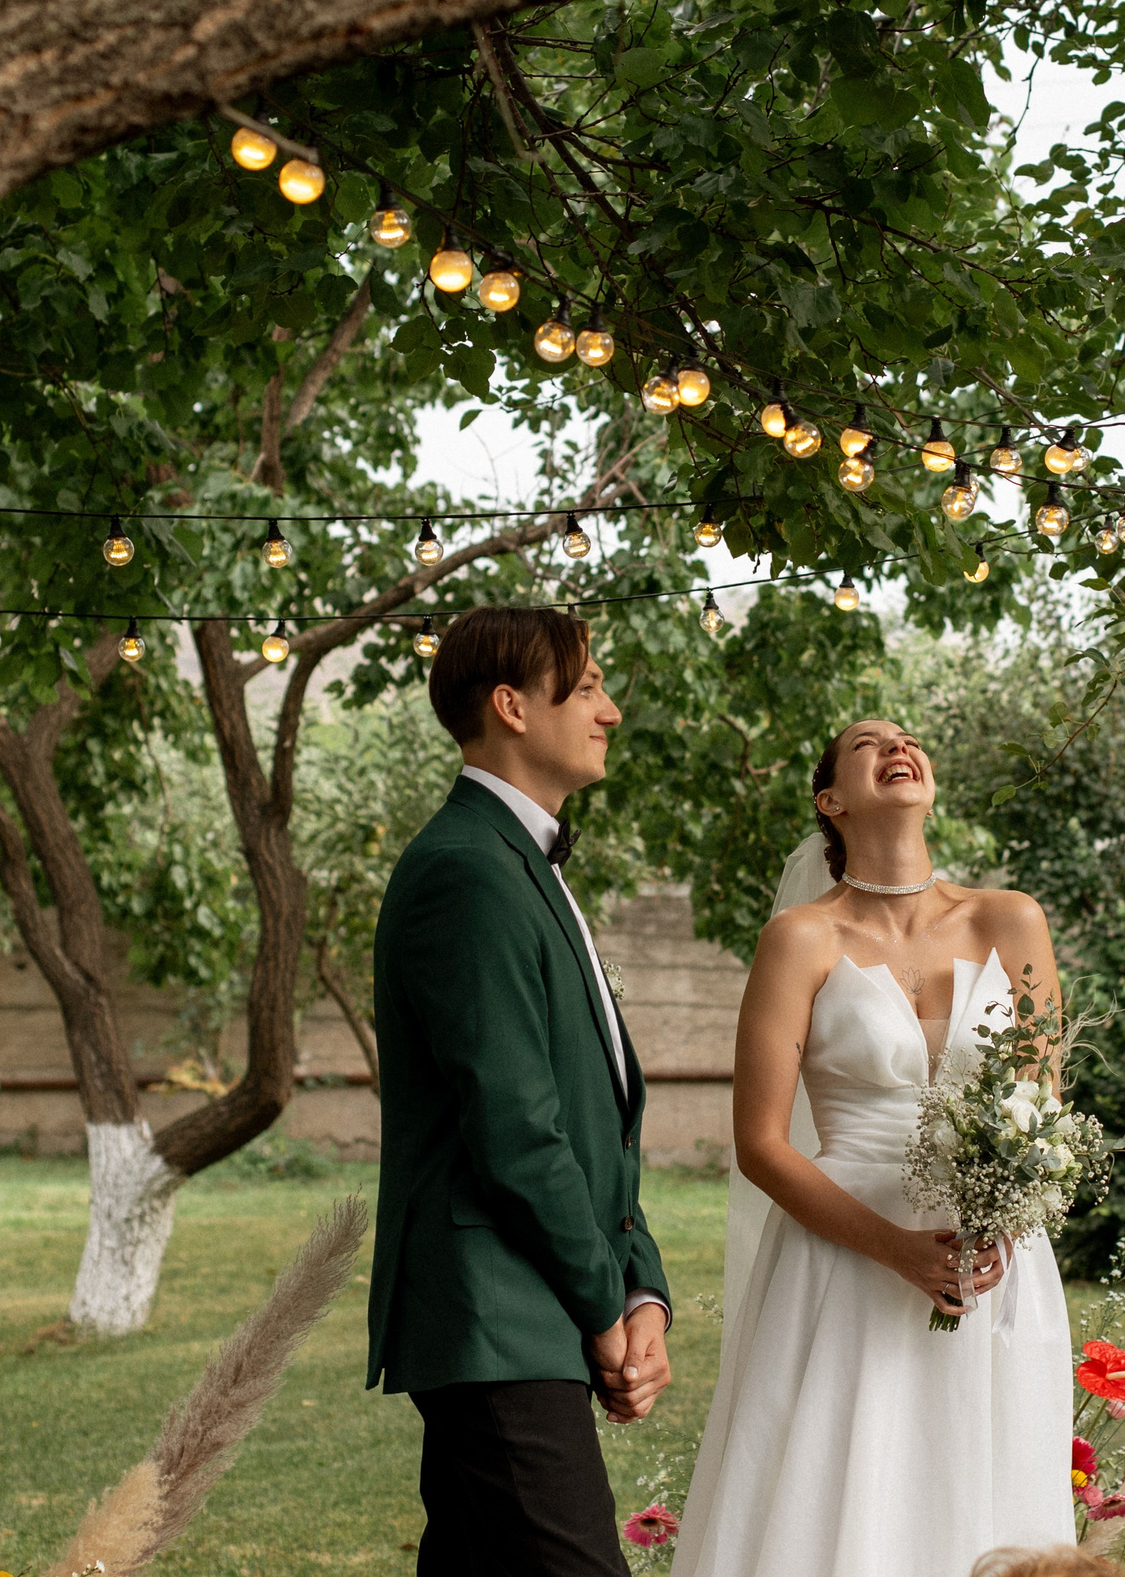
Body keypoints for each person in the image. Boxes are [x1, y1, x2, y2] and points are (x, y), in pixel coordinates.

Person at [671, 719, 1075, 1577]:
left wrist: (1005, 1216)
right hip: (844, 1260)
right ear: (832, 801)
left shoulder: (1011, 920)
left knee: (983, 1478)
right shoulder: (801, 941)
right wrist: (895, 1249)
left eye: (909, 738)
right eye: (867, 744)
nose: (898, 746)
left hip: (994, 1266)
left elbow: (1044, 1104)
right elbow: (761, 1145)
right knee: (839, 1494)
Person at [367, 606, 672, 1577]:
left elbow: (594, 1120)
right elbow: (516, 1130)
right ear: (511, 705)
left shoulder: (514, 860)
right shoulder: (466, 868)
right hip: (494, 1310)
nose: (610, 710)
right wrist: (605, 1307)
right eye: (586, 687)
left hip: (525, 1308)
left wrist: (644, 1287)